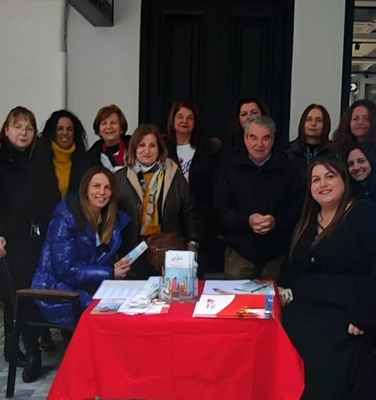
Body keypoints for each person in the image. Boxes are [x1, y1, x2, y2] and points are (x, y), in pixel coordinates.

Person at [236, 156, 376, 400]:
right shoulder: (308, 220)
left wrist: (365, 315)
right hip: (307, 304)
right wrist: (282, 290)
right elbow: (294, 265)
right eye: (316, 179)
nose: (323, 184)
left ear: (344, 180)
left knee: (311, 340)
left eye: (330, 176)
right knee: (274, 335)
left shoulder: (364, 214)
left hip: (348, 312)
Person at [0, 107, 60, 381]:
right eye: (18, 127)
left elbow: (52, 195)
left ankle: (13, 348)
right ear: (6, 129)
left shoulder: (40, 156)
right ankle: (31, 351)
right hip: (6, 238)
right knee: (17, 293)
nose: (23, 133)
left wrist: (57, 229)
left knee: (28, 291)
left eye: (29, 128)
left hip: (36, 236)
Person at [31, 167, 131, 326]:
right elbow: (65, 270)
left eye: (107, 187)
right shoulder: (65, 220)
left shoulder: (109, 219)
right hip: (57, 290)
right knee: (113, 317)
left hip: (87, 286)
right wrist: (110, 273)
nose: (102, 192)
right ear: (85, 190)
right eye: (96, 186)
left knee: (130, 306)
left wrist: (116, 268)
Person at [213, 115, 304, 279]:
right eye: (253, 138)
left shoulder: (289, 169)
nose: (259, 144)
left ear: (273, 139)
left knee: (275, 295)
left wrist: (276, 221)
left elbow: (298, 207)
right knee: (236, 295)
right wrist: (247, 221)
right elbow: (220, 209)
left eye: (265, 138)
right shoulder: (229, 168)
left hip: (277, 254)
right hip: (239, 253)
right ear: (245, 139)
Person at [116, 124, 201, 278]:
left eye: (152, 145)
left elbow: (189, 213)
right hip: (131, 256)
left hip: (167, 254)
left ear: (159, 149)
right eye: (141, 145)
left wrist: (192, 243)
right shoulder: (120, 178)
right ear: (134, 148)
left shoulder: (175, 176)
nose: (147, 150)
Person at [165, 101, 221, 273]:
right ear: (172, 120)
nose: (184, 121)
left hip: (200, 218)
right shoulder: (163, 147)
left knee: (197, 267)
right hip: (171, 217)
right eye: (180, 116)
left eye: (190, 118)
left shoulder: (208, 148)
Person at [41, 109, 88, 197]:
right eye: (60, 129)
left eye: (69, 129)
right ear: (52, 132)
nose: (65, 133)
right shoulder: (39, 159)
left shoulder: (85, 163)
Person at [285, 103, 334, 173]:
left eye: (319, 120)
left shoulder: (334, 153)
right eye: (309, 119)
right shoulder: (289, 152)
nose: (313, 124)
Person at [83, 104, 131, 173]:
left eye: (113, 123)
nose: (108, 127)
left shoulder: (136, 148)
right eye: (104, 123)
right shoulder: (90, 159)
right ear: (99, 130)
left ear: (121, 128)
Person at [346, 143, 376, 210]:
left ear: (371, 162)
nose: (356, 167)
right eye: (351, 164)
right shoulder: (350, 194)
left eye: (361, 161)